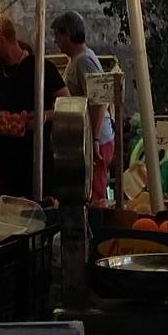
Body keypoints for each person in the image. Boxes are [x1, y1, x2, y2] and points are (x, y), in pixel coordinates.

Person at [0, 15, 63, 199]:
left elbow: (68, 105)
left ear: (1, 41)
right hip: (4, 175)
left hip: (38, 170)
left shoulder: (42, 69)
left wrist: (45, 115)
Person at [52, 10, 115, 205]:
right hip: (86, 138)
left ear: (68, 33)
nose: (56, 41)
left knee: (94, 194)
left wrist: (94, 139)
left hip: (96, 140)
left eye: (58, 35)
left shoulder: (84, 61)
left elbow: (99, 100)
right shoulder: (77, 60)